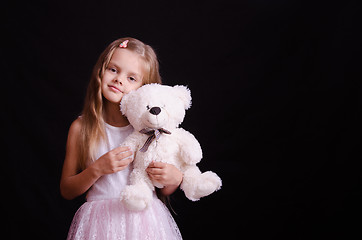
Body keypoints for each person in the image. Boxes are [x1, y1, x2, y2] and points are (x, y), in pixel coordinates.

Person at [60, 37, 183, 239]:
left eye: (132, 78)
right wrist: (97, 169)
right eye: (113, 69)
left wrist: (175, 178)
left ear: (145, 87)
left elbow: (165, 187)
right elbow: (67, 189)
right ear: (100, 70)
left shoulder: (150, 129)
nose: (119, 79)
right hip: (99, 224)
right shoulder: (81, 127)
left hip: (145, 222)